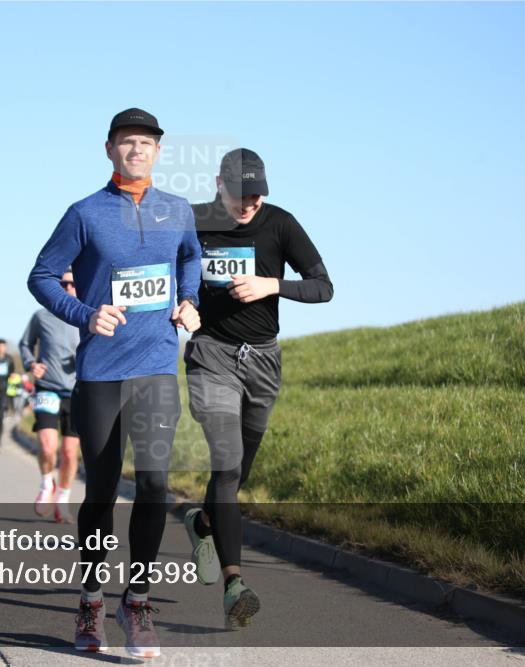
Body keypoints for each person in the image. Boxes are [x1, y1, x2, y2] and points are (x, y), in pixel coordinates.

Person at [28, 108, 201, 658]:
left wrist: (189, 300)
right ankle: (90, 599)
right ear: (109, 150)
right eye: (127, 142)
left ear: (157, 151)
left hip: (155, 367)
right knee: (100, 493)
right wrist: (83, 313)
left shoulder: (177, 211)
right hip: (101, 372)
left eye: (146, 143)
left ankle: (139, 599)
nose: (137, 150)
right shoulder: (84, 213)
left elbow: (191, 259)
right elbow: (40, 275)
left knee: (153, 485)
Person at [182, 148, 333, 628]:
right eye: (240, 194)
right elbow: (164, 267)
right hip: (211, 355)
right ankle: (234, 584)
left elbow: (323, 286)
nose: (249, 203)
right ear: (218, 185)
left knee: (240, 467)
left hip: (263, 360)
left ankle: (203, 523)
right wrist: (183, 303)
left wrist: (273, 286)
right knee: (226, 463)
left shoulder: (281, 224)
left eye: (256, 194)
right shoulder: (193, 221)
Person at [19, 270, 81, 524]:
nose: (68, 287)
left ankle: (63, 500)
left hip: (77, 391)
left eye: (73, 283)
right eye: (63, 283)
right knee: (47, 445)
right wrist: (31, 363)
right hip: (47, 388)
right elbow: (25, 344)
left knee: (68, 453)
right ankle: (47, 483)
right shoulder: (42, 316)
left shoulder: (86, 314)